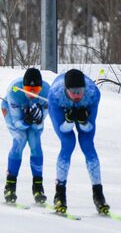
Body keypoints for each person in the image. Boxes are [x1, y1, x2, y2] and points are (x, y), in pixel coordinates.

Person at [47, 68, 110, 214]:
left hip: (85, 107)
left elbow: (89, 128)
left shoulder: (92, 94)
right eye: (73, 92)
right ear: (66, 89)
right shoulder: (55, 95)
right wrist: (68, 120)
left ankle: (98, 194)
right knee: (68, 143)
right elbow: (63, 130)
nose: (77, 95)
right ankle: (60, 194)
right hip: (60, 108)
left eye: (80, 91)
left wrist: (83, 120)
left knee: (87, 144)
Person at [1, 68, 50, 204]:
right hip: (13, 114)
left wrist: (37, 119)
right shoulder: (14, 91)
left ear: (41, 87)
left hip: (28, 117)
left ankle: (38, 187)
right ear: (23, 86)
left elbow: (38, 127)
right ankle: (10, 186)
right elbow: (18, 124)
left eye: (36, 90)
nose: (32, 93)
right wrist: (27, 120)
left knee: (35, 142)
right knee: (20, 139)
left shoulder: (47, 92)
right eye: (28, 89)